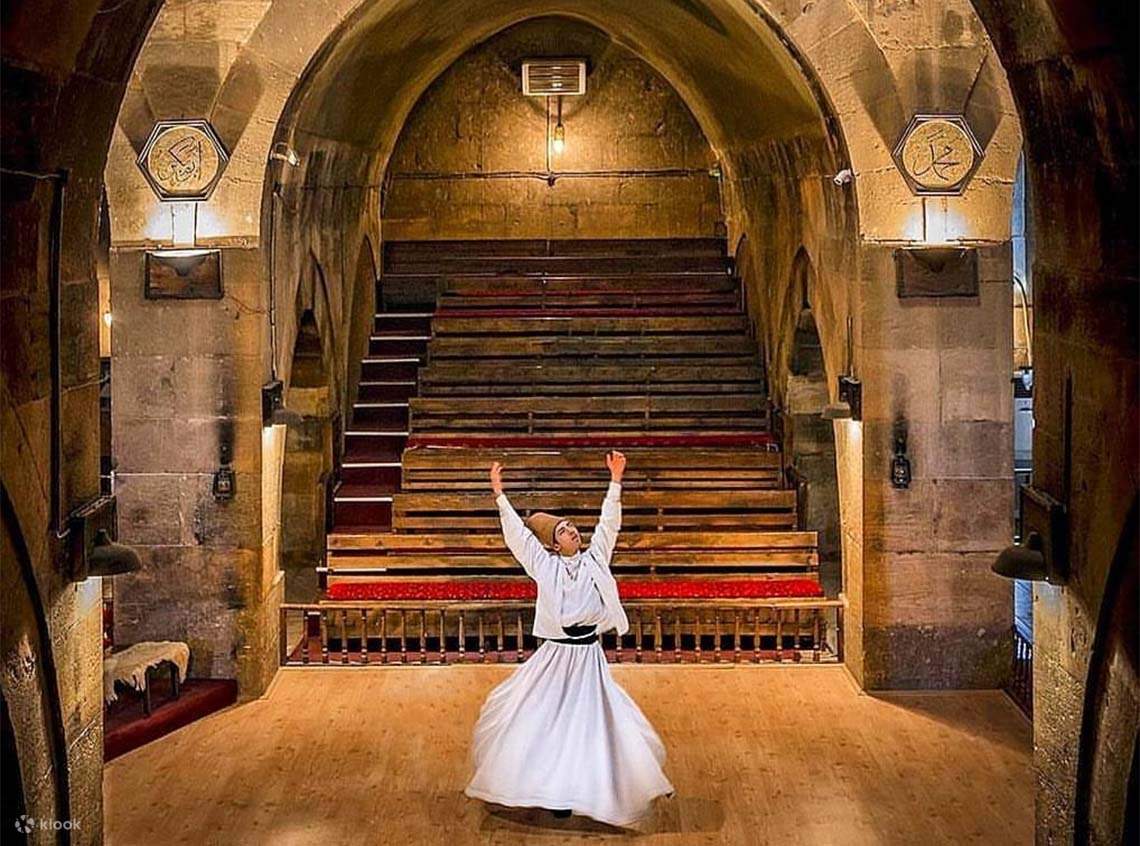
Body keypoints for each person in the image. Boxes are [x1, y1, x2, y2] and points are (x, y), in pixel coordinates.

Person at [463, 450, 674, 828]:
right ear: (555, 544)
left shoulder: (595, 561)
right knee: (545, 717)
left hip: (588, 657)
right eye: (563, 530)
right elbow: (518, 538)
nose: (572, 530)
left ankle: (596, 786)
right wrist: (499, 495)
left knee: (593, 721)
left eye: (573, 526)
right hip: (557, 656)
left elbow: (609, 525)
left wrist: (615, 482)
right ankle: (547, 786)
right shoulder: (545, 567)